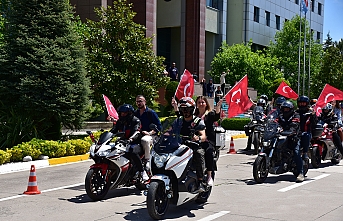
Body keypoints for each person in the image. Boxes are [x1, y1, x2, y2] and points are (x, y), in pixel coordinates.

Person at [170, 97, 207, 192]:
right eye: (182, 109)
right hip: (178, 145)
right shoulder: (178, 121)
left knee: (199, 154)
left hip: (193, 146)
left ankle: (200, 182)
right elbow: (169, 131)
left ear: (193, 109)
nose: (185, 111)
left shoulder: (198, 121)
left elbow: (203, 136)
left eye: (187, 109)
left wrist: (198, 138)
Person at [110, 104, 149, 181]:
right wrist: (106, 136)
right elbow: (113, 131)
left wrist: (130, 139)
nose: (122, 115)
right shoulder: (119, 122)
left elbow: (137, 132)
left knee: (133, 152)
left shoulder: (135, 121)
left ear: (130, 113)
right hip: (123, 143)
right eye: (121, 113)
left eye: (124, 113)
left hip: (135, 143)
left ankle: (142, 171)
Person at [194, 96, 222, 186]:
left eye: (203, 102)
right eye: (199, 102)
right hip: (194, 140)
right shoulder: (194, 115)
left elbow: (216, 116)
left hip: (208, 140)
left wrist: (218, 107)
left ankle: (209, 175)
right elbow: (182, 119)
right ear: (196, 104)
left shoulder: (209, 114)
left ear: (206, 104)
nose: (201, 104)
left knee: (209, 152)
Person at [275, 101, 304, 182]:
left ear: (291, 109)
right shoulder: (280, 115)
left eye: (287, 109)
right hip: (282, 135)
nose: (285, 110)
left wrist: (291, 131)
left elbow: (295, 124)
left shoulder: (295, 115)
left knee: (296, 152)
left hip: (294, 137)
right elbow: (275, 122)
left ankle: (300, 173)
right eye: (284, 109)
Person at [134, 95, 162, 170]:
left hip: (150, 136)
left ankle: (147, 160)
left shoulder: (151, 113)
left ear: (145, 102)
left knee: (145, 140)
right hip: (138, 134)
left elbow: (159, 127)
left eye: (140, 101)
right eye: (137, 102)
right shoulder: (135, 113)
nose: (139, 103)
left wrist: (149, 133)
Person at [296, 96, 317, 160]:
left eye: (303, 103)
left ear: (307, 103)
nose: (302, 104)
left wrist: (313, 115)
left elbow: (314, 123)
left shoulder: (311, 113)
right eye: (300, 103)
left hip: (306, 132)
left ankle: (305, 153)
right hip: (295, 132)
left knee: (305, 135)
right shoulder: (295, 112)